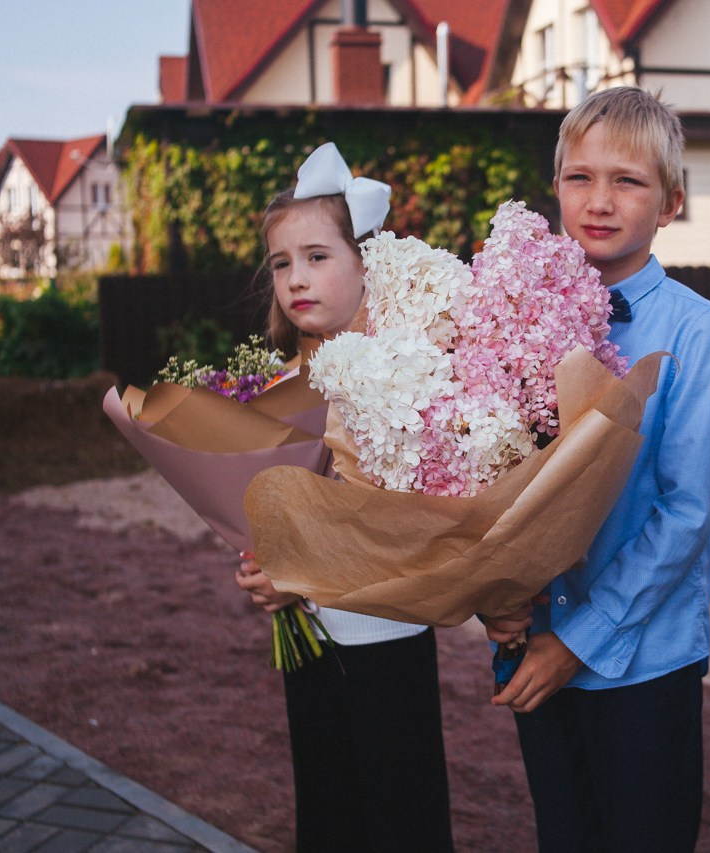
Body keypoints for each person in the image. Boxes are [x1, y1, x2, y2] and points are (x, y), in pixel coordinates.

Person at [483, 87, 710, 851]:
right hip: (531, 647)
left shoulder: (697, 330)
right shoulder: (509, 312)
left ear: (672, 201)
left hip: (642, 660)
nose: (599, 200)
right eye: (579, 177)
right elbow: (480, 470)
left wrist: (579, 640)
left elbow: (686, 513)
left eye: (628, 180)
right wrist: (492, 599)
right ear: (554, 185)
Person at [235, 143, 454, 853]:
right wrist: (264, 567)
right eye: (282, 263)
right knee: (327, 813)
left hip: (388, 636)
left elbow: (414, 520)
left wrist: (309, 559)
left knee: (402, 816)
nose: (297, 278)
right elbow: (270, 507)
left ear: (366, 263)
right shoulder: (271, 385)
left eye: (318, 257)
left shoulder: (404, 371)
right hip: (311, 643)